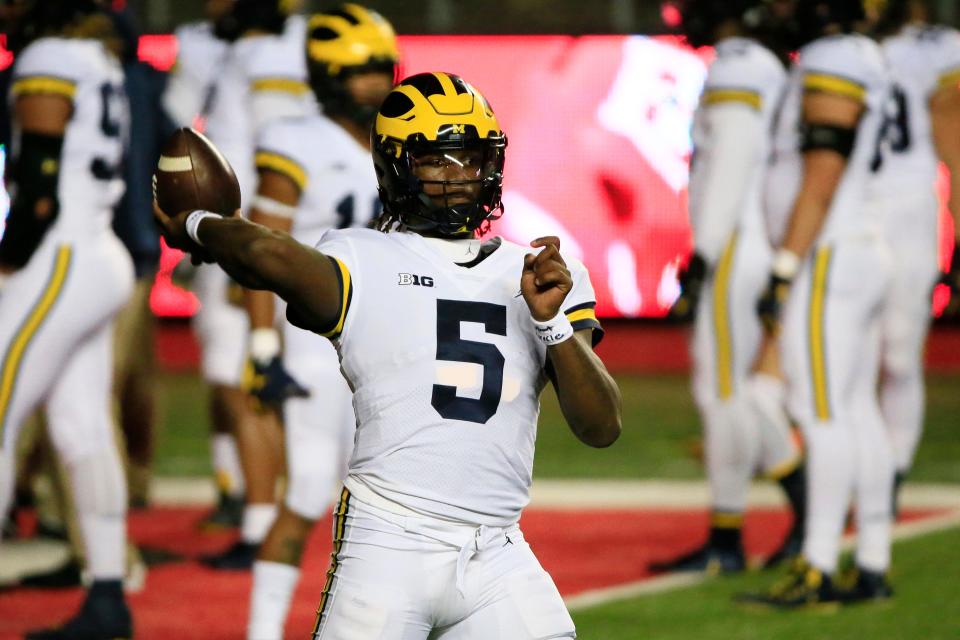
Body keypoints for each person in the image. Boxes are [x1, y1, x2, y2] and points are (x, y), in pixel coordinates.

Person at [156, 70, 621, 639]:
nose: (460, 178)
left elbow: (601, 426)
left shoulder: (543, 273)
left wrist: (550, 323)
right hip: (389, 544)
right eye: (437, 160)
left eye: (471, 159)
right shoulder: (362, 256)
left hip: (498, 549)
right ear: (396, 165)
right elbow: (267, 254)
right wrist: (199, 224)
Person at [242, 5, 398, 638]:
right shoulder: (293, 142)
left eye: (384, 69)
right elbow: (258, 250)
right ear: (328, 74)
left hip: (386, 338)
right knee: (309, 490)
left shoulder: (398, 139)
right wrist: (259, 344)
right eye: (362, 72)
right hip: (314, 342)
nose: (378, 83)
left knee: (391, 501)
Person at [742, 0, 895, 606]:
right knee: (857, 410)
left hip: (830, 252)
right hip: (859, 244)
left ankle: (819, 566)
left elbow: (824, 168)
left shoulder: (833, 56)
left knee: (824, 412)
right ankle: (874, 563)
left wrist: (784, 267)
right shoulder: (863, 53)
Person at [0, 1, 134, 636]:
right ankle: (107, 595)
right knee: (81, 428)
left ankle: (108, 591)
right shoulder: (95, 56)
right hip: (91, 250)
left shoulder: (49, 57)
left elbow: (39, 181)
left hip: (58, 251)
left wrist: (9, 262)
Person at [657, 0, 805, 575]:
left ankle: (744, 530)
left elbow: (734, 159)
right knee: (732, 393)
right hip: (751, 242)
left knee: (722, 394)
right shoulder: (761, 62)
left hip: (736, 246)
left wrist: (705, 253)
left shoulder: (739, 62)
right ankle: (733, 532)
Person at [195, 0, 317, 568]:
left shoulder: (260, 54)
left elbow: (270, 155)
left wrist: (234, 243)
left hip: (262, 237)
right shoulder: (296, 46)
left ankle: (260, 525)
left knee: (247, 383)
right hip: (298, 236)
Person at [866, 0, 960, 514]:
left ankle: (894, 469)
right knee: (846, 361)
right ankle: (860, 468)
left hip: (907, 211)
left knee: (900, 354)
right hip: (850, 213)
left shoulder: (938, 48)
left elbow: (955, 142)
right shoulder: (837, 45)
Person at [161, 0, 246, 531]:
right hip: (230, 226)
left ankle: (265, 499)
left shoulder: (302, 42)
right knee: (224, 364)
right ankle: (234, 486)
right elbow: (175, 125)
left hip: (297, 224)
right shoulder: (199, 44)